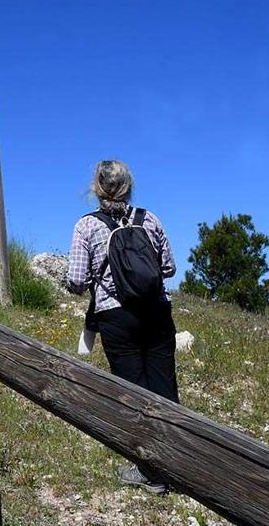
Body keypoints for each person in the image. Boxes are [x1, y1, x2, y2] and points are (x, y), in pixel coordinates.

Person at [65, 160, 179, 494]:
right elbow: (168, 268)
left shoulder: (86, 226)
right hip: (157, 311)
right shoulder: (150, 219)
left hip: (116, 317)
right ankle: (177, 464)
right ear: (128, 186)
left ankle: (150, 471)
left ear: (96, 188)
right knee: (164, 387)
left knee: (134, 392)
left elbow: (76, 279)